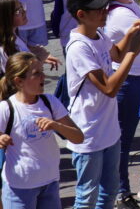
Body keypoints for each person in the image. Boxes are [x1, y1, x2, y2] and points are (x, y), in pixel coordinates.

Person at [64, 0, 140, 209]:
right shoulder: (78, 47)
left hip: (108, 127)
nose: (105, 12)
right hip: (88, 133)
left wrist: (130, 36)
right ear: (81, 14)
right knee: (86, 197)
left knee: (109, 191)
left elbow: (117, 54)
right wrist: (134, 51)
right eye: (99, 9)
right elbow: (109, 88)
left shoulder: (98, 34)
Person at [0, 51, 84, 209]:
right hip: (20, 187)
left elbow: (78, 137)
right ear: (19, 81)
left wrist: (56, 125)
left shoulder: (50, 102)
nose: (43, 77)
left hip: (50, 182)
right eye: (36, 73)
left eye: (42, 72)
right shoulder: (7, 108)